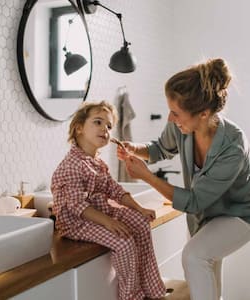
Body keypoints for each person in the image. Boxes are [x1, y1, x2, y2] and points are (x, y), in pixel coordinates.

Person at [117, 58, 250, 300]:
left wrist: (147, 176)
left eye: (176, 113)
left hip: (238, 214)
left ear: (204, 113)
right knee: (207, 274)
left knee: (195, 256)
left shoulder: (233, 146)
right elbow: (160, 149)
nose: (170, 118)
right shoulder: (181, 126)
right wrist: (134, 148)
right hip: (205, 215)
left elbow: (194, 201)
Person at [51, 101, 167, 300]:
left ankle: (151, 287)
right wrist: (110, 222)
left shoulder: (97, 163)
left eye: (109, 126)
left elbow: (115, 190)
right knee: (124, 242)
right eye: (98, 122)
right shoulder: (71, 166)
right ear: (79, 128)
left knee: (141, 224)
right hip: (76, 223)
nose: (105, 129)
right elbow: (79, 207)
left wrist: (139, 209)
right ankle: (131, 295)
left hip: (99, 213)